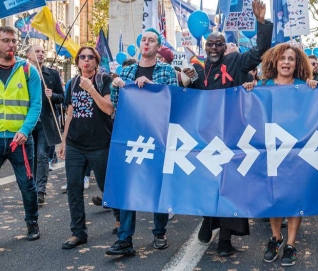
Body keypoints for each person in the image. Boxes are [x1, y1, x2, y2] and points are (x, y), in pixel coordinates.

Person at [182, 0, 273, 258]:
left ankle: (223, 239)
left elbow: (260, 50)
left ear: (225, 47)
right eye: (210, 44)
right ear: (205, 46)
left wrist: (261, 21)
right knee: (209, 184)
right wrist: (187, 81)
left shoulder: (236, 61)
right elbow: (195, 99)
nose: (213, 47)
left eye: (218, 44)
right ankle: (207, 220)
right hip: (207, 137)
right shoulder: (200, 69)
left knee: (229, 187)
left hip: (233, 136)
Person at [243, 42, 318, 267]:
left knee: (295, 197)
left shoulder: (304, 86)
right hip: (270, 151)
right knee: (274, 197)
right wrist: (249, 90)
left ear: (298, 64)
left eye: (291, 59)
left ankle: (291, 245)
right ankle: (276, 238)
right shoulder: (262, 85)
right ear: (274, 61)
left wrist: (314, 87)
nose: (286, 62)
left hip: (295, 152)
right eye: (282, 58)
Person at [106, 28, 178, 256]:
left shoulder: (166, 70)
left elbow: (174, 99)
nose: (146, 43)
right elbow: (116, 104)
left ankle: (159, 232)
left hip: (158, 136)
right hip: (130, 136)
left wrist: (152, 86)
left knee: (158, 183)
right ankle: (124, 239)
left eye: (152, 40)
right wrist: (116, 85)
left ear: (158, 47)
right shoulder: (126, 72)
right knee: (129, 185)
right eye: (143, 40)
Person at [58, 46, 118, 249]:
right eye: (82, 57)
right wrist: (64, 140)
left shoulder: (104, 81)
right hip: (75, 144)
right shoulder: (72, 83)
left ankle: (119, 216)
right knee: (74, 188)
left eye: (90, 57)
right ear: (77, 62)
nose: (86, 60)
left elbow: (109, 109)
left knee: (105, 185)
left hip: (99, 144)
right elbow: (70, 112)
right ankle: (78, 232)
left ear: (96, 61)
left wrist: (91, 89)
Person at [0, 26, 42, 241]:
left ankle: (32, 222)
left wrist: (25, 130)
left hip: (21, 141)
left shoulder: (28, 70)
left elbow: (36, 105)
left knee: (27, 185)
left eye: (13, 41)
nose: (11, 45)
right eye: (6, 40)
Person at [26, 44, 64, 204]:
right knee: (30, 156)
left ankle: (40, 190)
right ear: (28, 55)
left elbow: (62, 97)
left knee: (41, 155)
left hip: (45, 122)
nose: (41, 53)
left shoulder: (52, 74)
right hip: (27, 122)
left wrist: (53, 95)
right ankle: (31, 188)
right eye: (37, 51)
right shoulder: (23, 73)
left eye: (43, 51)